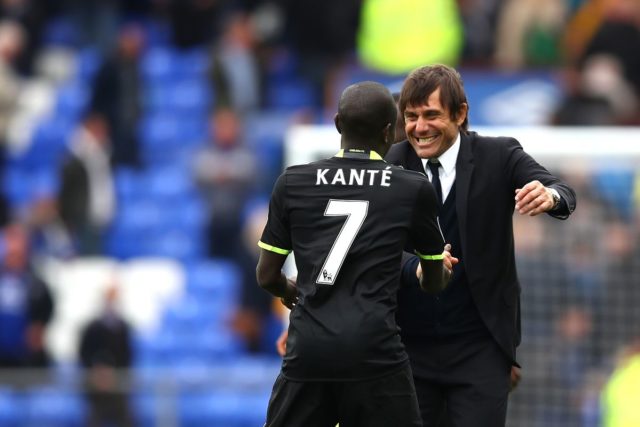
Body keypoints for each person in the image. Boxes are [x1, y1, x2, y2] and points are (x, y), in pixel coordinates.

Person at [385, 64, 577, 427]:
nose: (419, 128)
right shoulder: (390, 165)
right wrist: (418, 266)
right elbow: (375, 248)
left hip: (479, 349)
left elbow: (562, 190)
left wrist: (550, 196)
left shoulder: (498, 155)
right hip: (407, 349)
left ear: (460, 114)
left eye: (431, 115)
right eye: (411, 117)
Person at [256, 81, 456, 427]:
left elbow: (266, 276)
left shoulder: (292, 182)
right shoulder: (411, 188)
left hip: (310, 349)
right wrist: (438, 273)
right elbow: (434, 282)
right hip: (374, 351)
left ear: (337, 124)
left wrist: (290, 291)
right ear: (389, 131)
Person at [78, 283, 135, 427]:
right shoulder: (92, 328)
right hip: (95, 388)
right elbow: (84, 354)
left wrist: (114, 374)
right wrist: (98, 371)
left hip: (118, 387)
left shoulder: (124, 328)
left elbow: (127, 356)